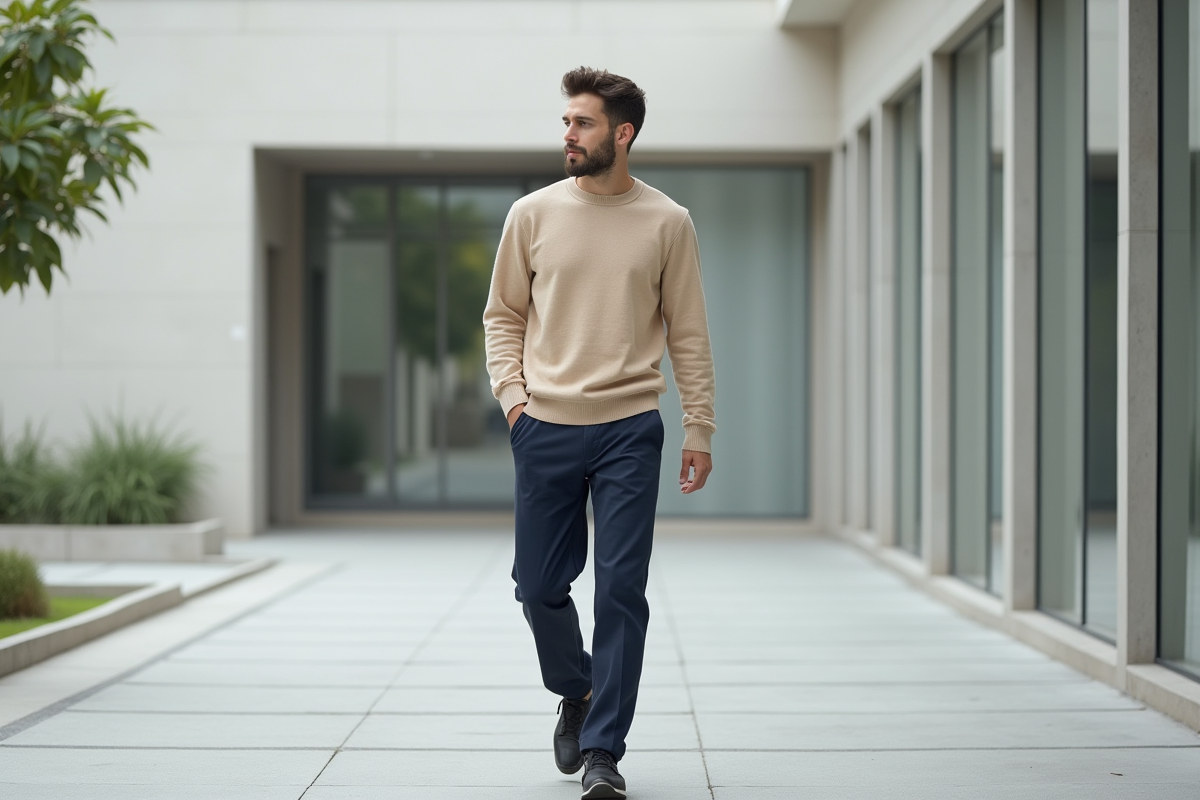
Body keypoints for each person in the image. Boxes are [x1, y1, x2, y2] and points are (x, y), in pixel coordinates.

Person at [482, 66, 716, 800]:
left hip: (629, 429)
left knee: (621, 592)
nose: (568, 135)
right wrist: (514, 402)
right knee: (537, 587)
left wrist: (699, 426)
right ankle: (576, 689)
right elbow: (503, 316)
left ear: (623, 133)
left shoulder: (668, 222)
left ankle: (603, 752)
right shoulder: (532, 214)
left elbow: (689, 332)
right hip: (544, 425)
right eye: (566, 122)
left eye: (582, 123)